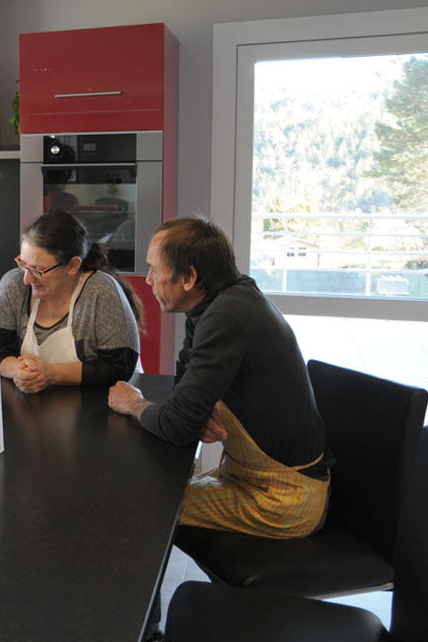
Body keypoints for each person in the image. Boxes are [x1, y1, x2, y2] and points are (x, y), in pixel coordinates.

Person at [108, 216, 329, 539]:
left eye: (155, 270)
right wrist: (190, 413)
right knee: (146, 493)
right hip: (249, 478)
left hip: (281, 498)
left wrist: (134, 404)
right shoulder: (223, 301)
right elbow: (185, 384)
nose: (150, 281)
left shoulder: (226, 317)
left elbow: (177, 425)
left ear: (189, 277)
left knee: (136, 504)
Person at [0, 209, 142, 392]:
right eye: (23, 264)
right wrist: (19, 371)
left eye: (38, 270)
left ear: (73, 266)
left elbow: (118, 368)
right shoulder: (13, 286)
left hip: (97, 406)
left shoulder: (100, 291)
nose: (27, 279)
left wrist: (51, 373)